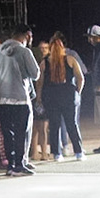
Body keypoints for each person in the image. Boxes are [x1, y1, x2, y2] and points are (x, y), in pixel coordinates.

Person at [0, 25, 41, 176]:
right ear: (27, 36)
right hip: (21, 99)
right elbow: (35, 74)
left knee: (7, 134)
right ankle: (20, 165)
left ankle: (10, 166)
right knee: (21, 133)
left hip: (2, 99)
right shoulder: (24, 51)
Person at [38, 31, 86, 160]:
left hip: (51, 97)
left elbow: (40, 82)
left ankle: (57, 154)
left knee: (54, 125)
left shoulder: (45, 63)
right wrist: (77, 92)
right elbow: (80, 78)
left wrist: (39, 97)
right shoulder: (70, 60)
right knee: (72, 124)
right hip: (68, 96)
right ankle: (78, 152)